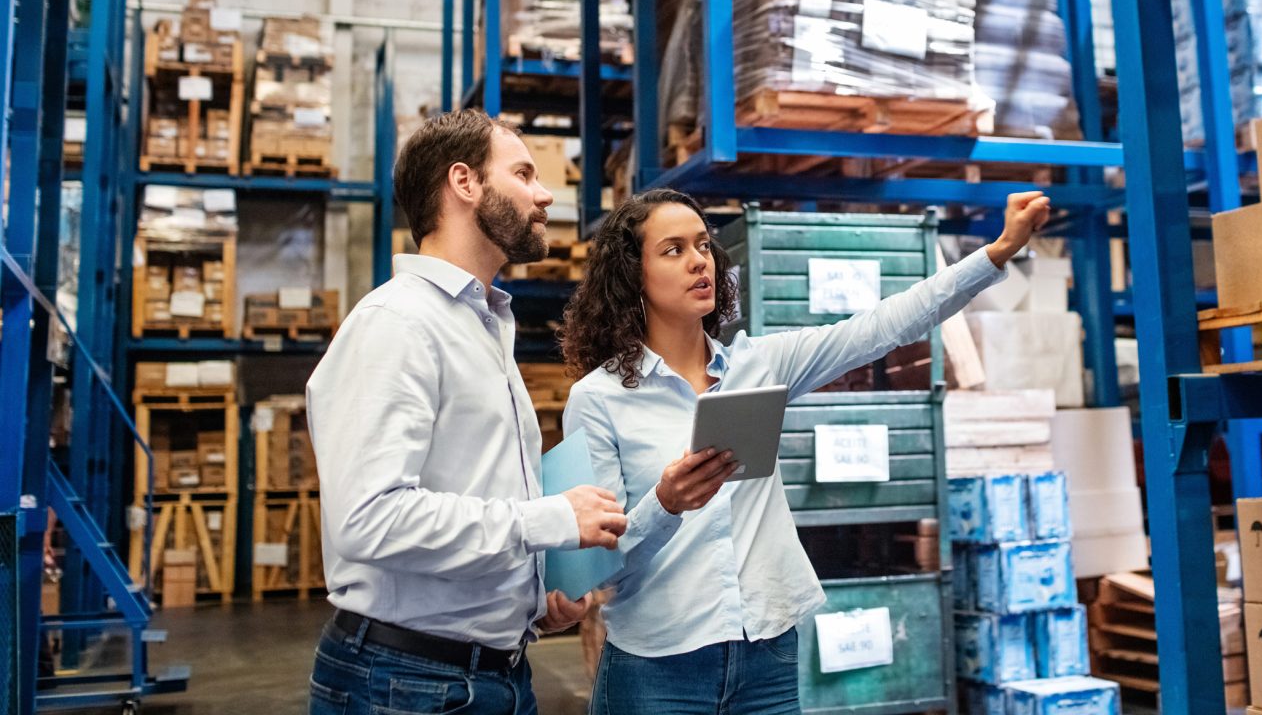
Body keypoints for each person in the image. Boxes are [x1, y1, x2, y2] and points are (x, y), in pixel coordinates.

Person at [560, 188, 1051, 715]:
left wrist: (997, 252)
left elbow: (884, 325)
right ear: (633, 276)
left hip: (766, 658)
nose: (699, 260)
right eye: (674, 249)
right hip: (656, 669)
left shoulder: (760, 365)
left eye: (703, 245)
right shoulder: (598, 399)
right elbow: (596, 570)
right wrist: (666, 503)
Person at [306, 109, 627, 715]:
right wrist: (547, 521)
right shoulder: (398, 325)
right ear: (465, 183)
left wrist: (534, 595)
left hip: (492, 674)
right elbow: (370, 519)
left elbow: (471, 489)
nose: (545, 193)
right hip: (405, 683)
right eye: (525, 173)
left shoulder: (483, 324)